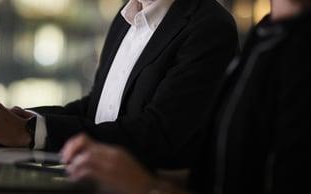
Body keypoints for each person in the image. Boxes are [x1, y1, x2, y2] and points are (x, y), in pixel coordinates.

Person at [60, 0, 311, 193]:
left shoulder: (215, 26)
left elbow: (159, 131)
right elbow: (227, 170)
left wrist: (147, 187)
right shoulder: (265, 37)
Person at [0, 0, 238, 169]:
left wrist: (32, 132)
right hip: (91, 173)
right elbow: (96, 107)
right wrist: (25, 120)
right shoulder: (126, 15)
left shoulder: (210, 26)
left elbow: (158, 135)